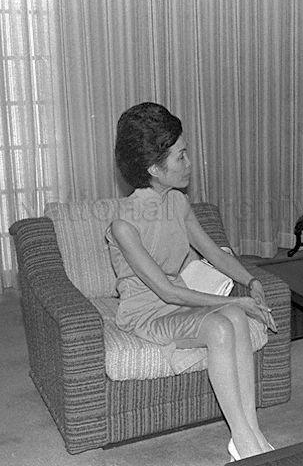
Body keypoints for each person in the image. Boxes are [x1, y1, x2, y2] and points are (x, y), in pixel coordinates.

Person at [106, 102, 276, 460]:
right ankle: (243, 440)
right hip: (148, 315)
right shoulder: (124, 225)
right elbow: (164, 290)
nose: (189, 164)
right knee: (221, 325)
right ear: (154, 167)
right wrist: (233, 301)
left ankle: (251, 433)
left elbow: (214, 253)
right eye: (180, 157)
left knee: (235, 319)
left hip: (179, 304)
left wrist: (252, 282)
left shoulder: (177, 203)